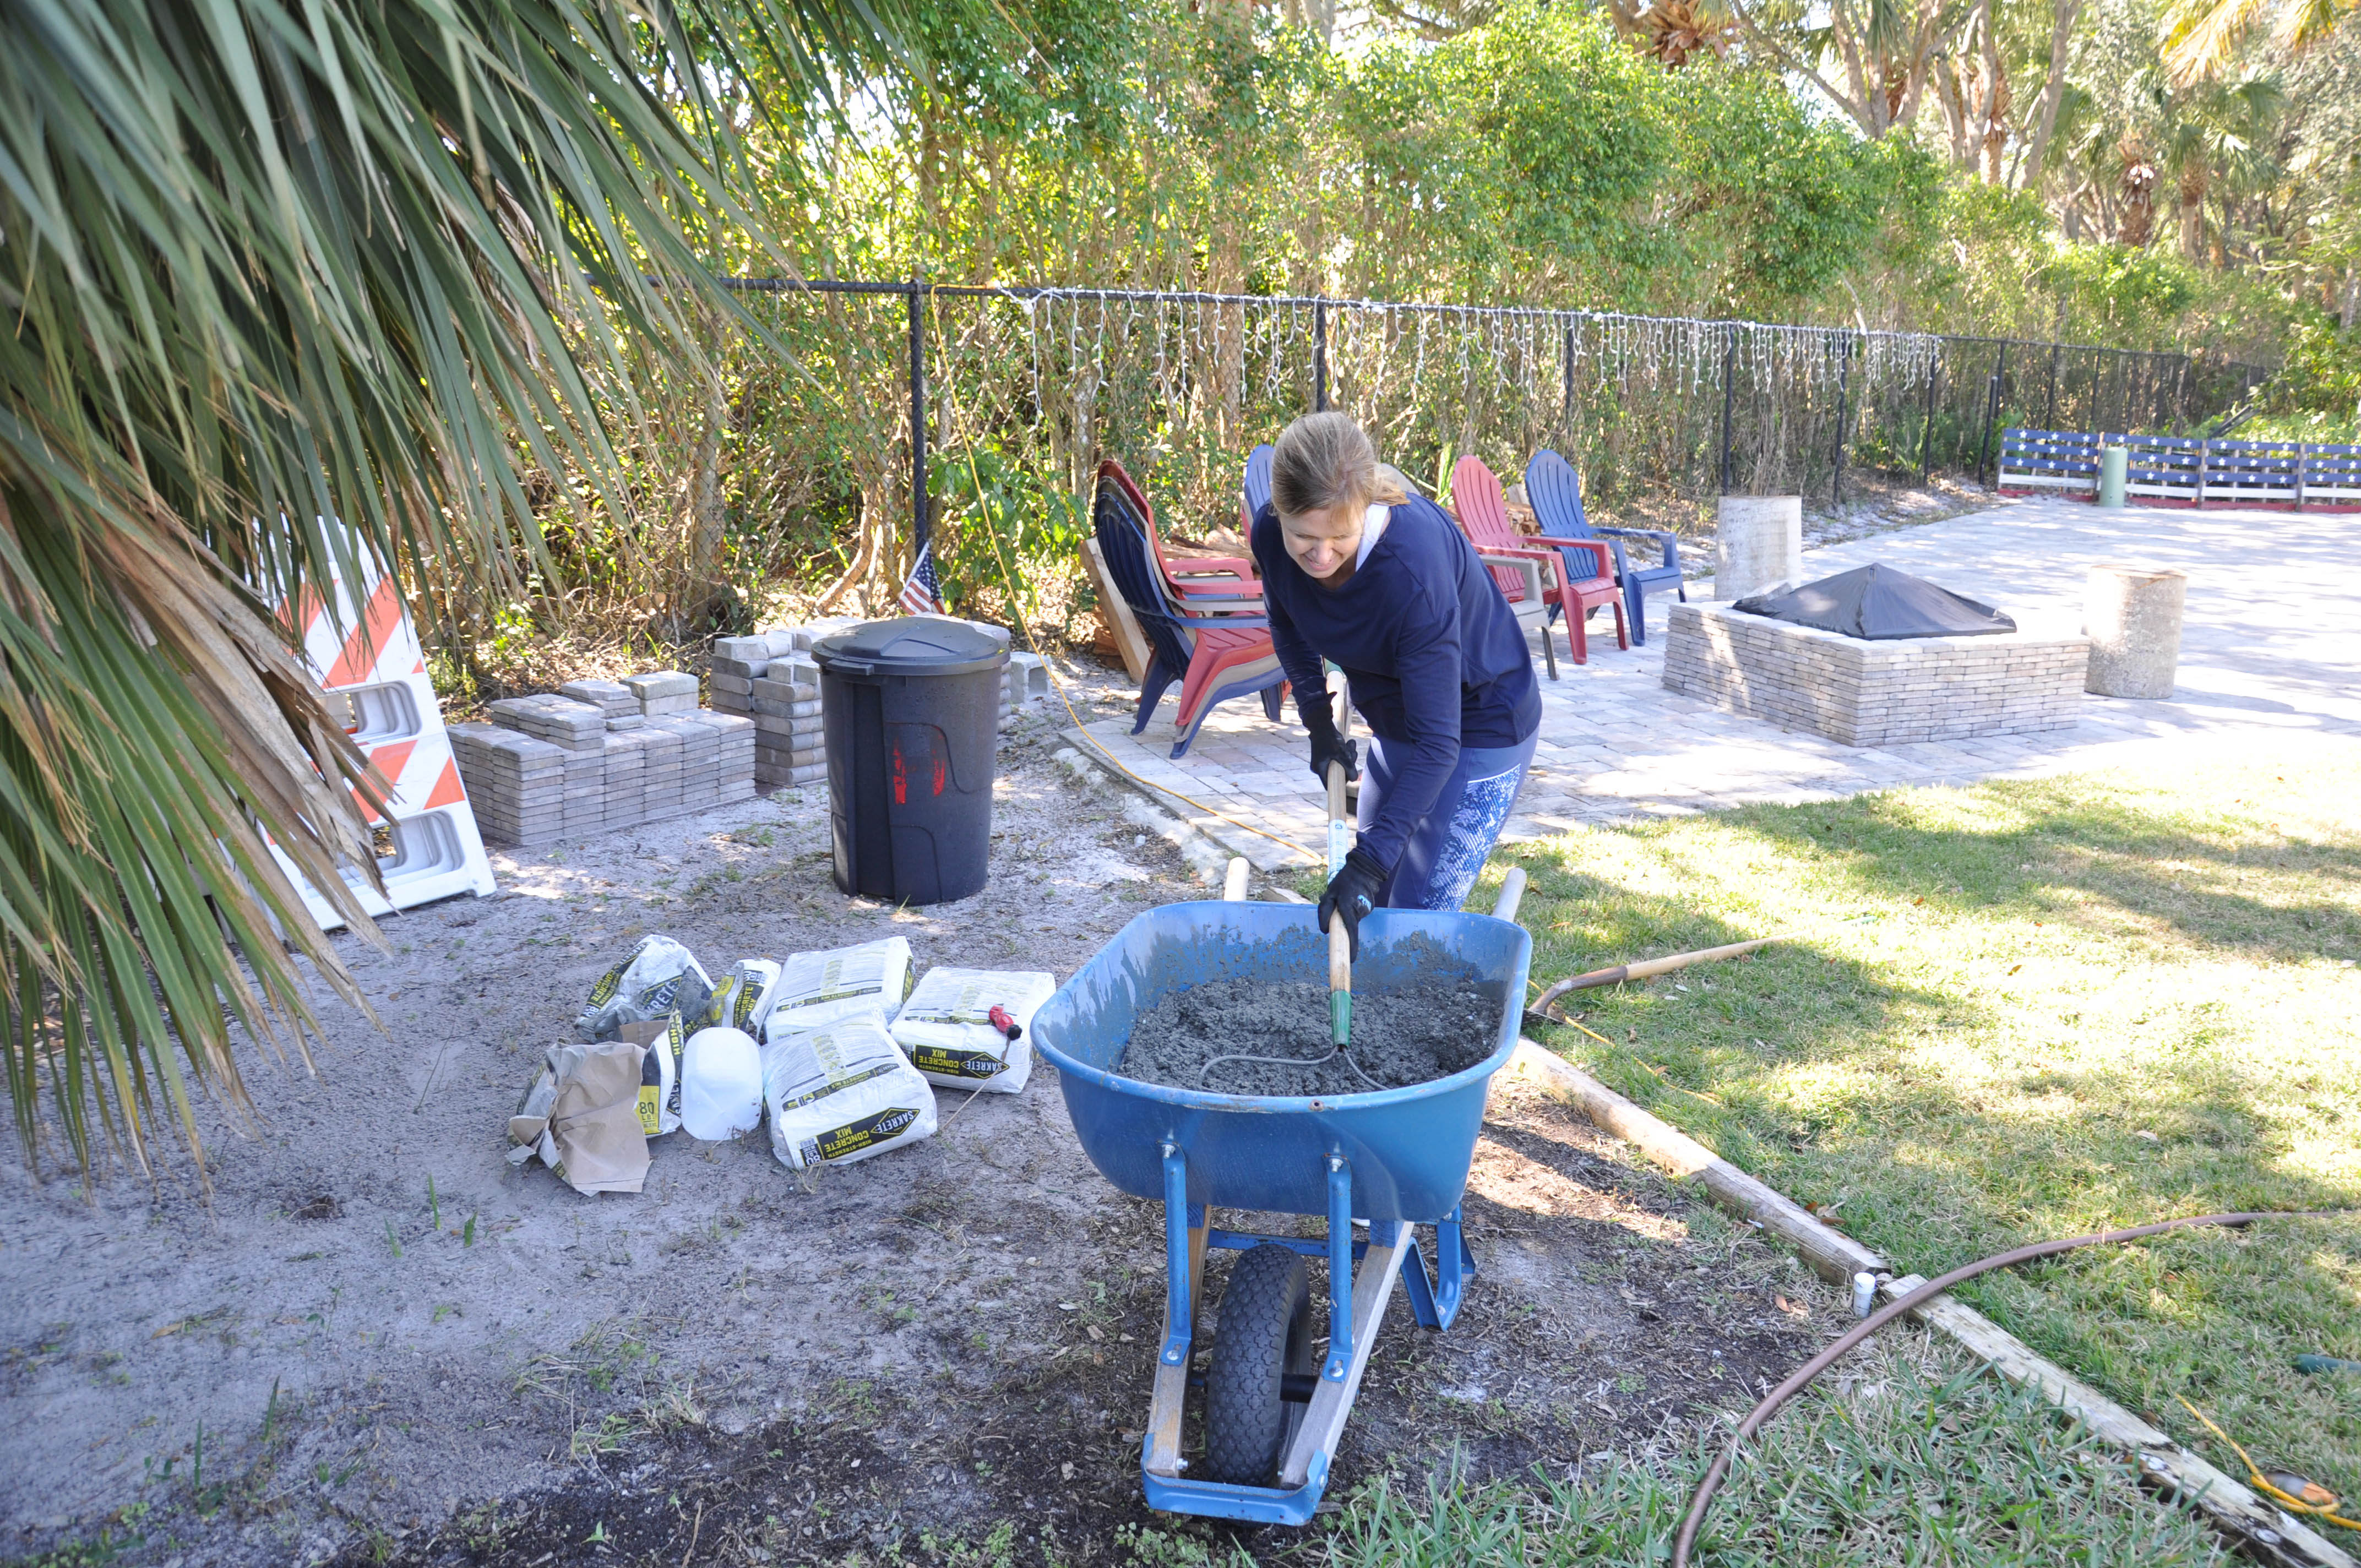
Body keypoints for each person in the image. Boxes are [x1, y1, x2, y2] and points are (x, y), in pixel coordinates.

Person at [1248, 411, 1542, 958]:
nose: (1319, 556)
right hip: (1400, 717)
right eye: (1302, 536)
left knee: (1414, 916)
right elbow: (1287, 621)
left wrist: (1367, 863)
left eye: (1339, 537)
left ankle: (1409, 1017)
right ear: (1278, 512)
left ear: (1365, 509)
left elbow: (1439, 745)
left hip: (1482, 721)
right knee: (1368, 900)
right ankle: (1358, 1023)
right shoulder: (1268, 532)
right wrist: (1317, 722)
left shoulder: (1411, 572)